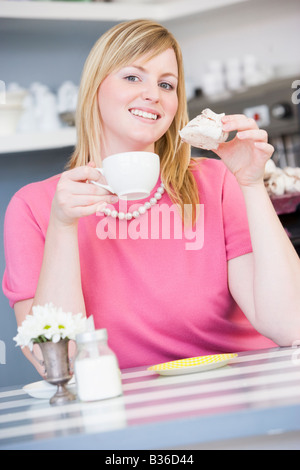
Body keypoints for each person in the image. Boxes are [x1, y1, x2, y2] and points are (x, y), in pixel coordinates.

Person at [3, 20, 300, 375]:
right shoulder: (35, 207)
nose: (153, 94)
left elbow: (290, 325)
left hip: (242, 388)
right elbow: (60, 363)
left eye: (166, 84)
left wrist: (250, 184)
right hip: (121, 410)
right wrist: (64, 227)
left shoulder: (216, 182)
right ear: (94, 88)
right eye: (132, 77)